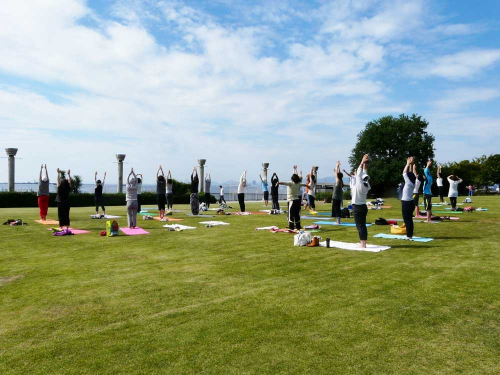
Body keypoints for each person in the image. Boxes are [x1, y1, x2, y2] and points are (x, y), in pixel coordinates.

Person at [351, 154, 371, 248]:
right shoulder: (366, 184)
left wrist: (362, 161)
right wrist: (365, 164)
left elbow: (359, 172)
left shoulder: (359, 182)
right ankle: (363, 243)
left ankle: (363, 244)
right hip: (363, 206)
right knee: (362, 225)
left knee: (360, 226)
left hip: (357, 207)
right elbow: (363, 172)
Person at [279, 165, 305, 230]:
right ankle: (298, 226)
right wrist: (294, 169)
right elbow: (304, 183)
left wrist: (278, 183)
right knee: (297, 214)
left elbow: (283, 183)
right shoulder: (298, 183)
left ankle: (291, 227)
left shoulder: (291, 183)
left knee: (291, 214)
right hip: (297, 200)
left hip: (291, 201)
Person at [401, 157, 416, 239]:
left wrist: (407, 163)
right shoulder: (413, 182)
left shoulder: (408, 182)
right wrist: (411, 164)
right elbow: (410, 173)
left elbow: (404, 173)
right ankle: (410, 233)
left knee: (407, 220)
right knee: (409, 219)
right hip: (411, 202)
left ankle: (409, 235)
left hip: (406, 203)